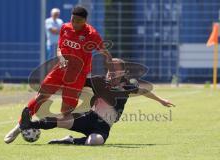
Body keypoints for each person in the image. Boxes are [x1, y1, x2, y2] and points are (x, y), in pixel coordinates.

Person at [4, 6, 114, 144]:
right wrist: (61, 57)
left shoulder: (92, 34)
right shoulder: (65, 28)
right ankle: (20, 126)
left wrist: (111, 67)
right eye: (72, 19)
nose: (74, 23)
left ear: (85, 21)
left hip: (77, 77)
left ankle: (69, 139)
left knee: (65, 113)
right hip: (60, 70)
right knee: (41, 96)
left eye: (78, 21)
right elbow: (59, 47)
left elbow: (105, 53)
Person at [20, 58, 175, 145]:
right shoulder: (98, 81)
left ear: (122, 72)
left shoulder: (128, 86)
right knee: (61, 121)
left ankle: (70, 141)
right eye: (109, 69)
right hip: (88, 118)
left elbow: (144, 91)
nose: (110, 72)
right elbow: (77, 80)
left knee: (95, 141)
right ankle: (29, 124)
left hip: (103, 127)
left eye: (114, 69)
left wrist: (161, 100)